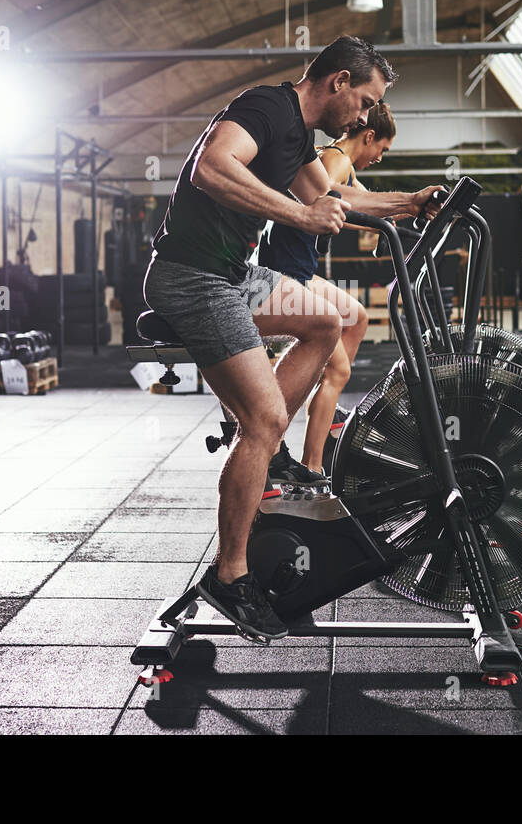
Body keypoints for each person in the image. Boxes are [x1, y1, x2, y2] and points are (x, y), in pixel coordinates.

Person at [142, 36, 442, 641]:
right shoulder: (267, 108)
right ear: (337, 82)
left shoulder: (300, 136)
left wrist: (410, 203)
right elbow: (212, 167)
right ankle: (230, 575)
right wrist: (298, 216)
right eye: (364, 100)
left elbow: (336, 197)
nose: (363, 117)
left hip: (231, 274)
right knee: (263, 419)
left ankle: (268, 443)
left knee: (327, 321)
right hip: (193, 278)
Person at [257, 102, 398, 474]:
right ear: (367, 136)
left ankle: (327, 405)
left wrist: (401, 214)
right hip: (284, 274)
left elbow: (362, 207)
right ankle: (314, 464)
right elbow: (333, 200)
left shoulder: (334, 160)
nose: (380, 158)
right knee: (339, 371)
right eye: (381, 149)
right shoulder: (335, 162)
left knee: (357, 316)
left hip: (293, 269)